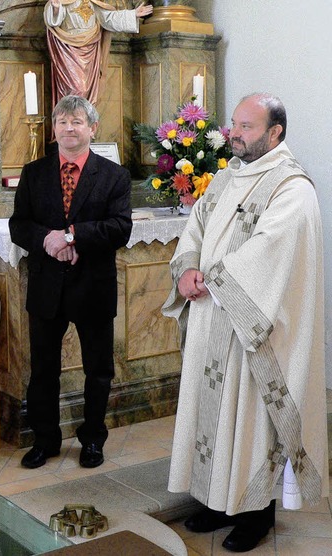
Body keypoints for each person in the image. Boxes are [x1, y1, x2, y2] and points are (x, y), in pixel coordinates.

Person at [162, 93, 328, 553]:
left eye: (247, 126)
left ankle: (256, 516)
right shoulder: (226, 177)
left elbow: (272, 251)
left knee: (251, 421)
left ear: (275, 133)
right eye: (234, 124)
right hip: (210, 317)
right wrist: (189, 266)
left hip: (251, 332)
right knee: (212, 417)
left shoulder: (291, 187)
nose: (235, 133)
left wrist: (211, 281)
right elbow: (196, 224)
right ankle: (217, 502)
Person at [9, 95, 132, 470]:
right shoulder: (34, 173)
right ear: (54, 129)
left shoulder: (114, 176)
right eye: (62, 122)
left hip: (92, 285)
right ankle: (46, 440)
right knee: (44, 369)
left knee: (98, 370)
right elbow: (19, 225)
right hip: (47, 285)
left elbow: (120, 228)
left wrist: (74, 236)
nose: (69, 128)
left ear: (92, 128)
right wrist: (48, 239)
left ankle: (93, 439)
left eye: (77, 121)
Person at [45, 0, 152, 106]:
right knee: (77, 89)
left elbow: (108, 18)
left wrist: (133, 14)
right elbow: (53, 21)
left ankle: (83, 120)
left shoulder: (94, 1)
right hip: (68, 49)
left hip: (90, 49)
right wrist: (55, 9)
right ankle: (72, 119)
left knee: (89, 90)